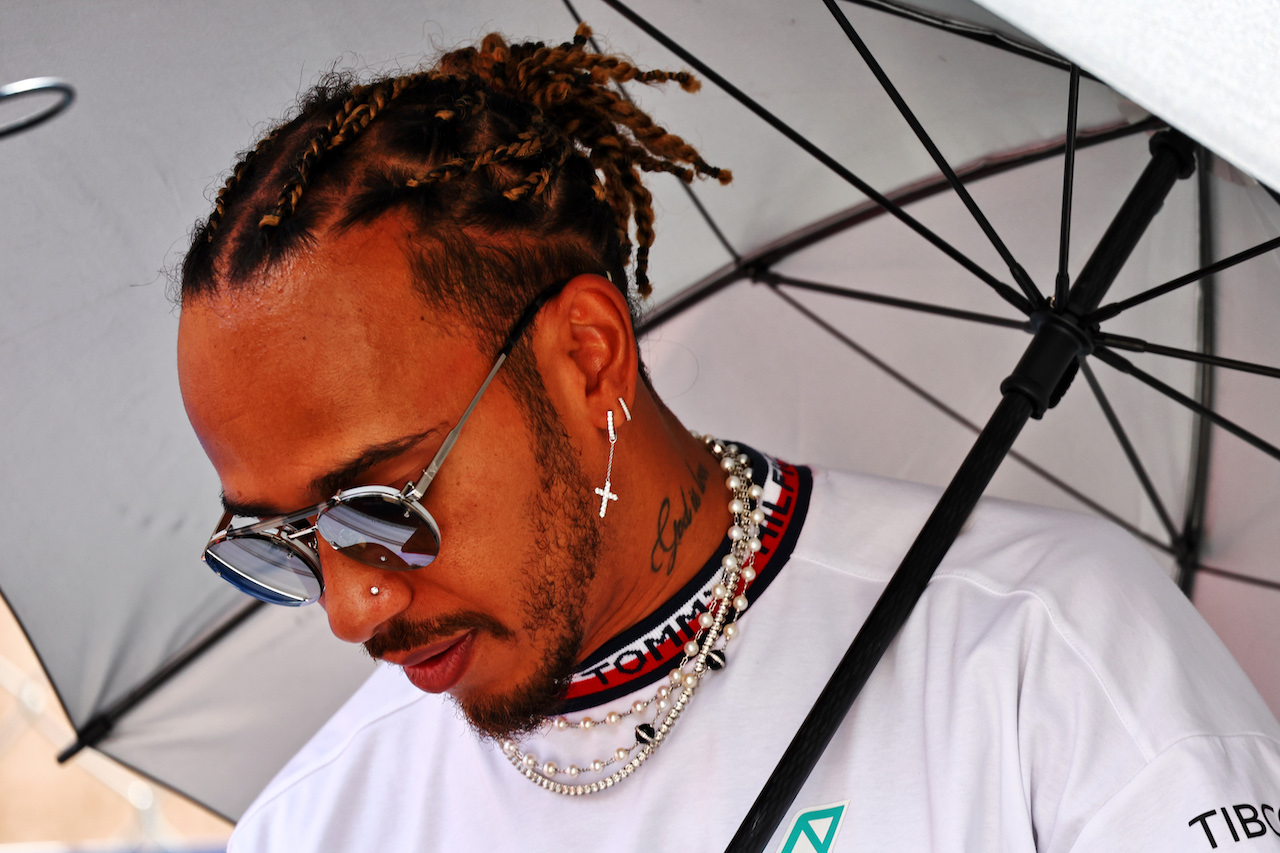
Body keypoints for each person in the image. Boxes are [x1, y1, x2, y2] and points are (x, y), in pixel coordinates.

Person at [176, 26, 1280, 853]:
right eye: (280, 540)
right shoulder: (314, 828)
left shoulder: (1048, 650)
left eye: (379, 506)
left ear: (587, 354)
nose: (347, 605)